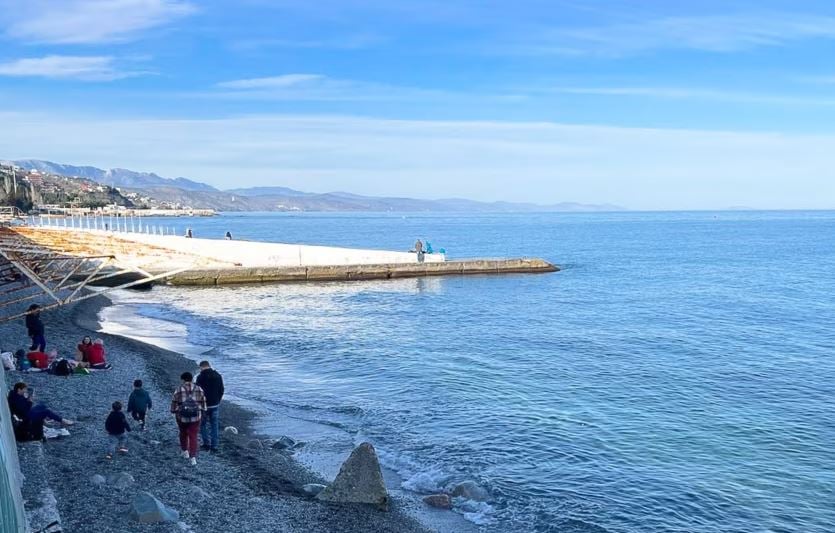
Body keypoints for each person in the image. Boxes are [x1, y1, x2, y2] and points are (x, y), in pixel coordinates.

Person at [7, 382, 73, 441]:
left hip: (27, 412)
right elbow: (25, 409)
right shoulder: (17, 399)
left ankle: (44, 421)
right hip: (27, 416)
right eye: (24, 389)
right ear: (19, 389)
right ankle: (62, 420)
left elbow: (23, 405)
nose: (25, 391)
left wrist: (27, 398)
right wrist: (30, 401)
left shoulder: (16, 395)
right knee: (46, 411)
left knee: (42, 406)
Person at [170, 372, 206, 466]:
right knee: (193, 436)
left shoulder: (179, 389)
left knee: (183, 433)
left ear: (183, 380)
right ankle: (193, 457)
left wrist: (173, 411)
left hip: (182, 416)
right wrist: (202, 411)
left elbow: (174, 403)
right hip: (195, 417)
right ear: (192, 379)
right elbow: (203, 404)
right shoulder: (199, 389)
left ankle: (185, 451)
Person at [196, 361, 224, 452]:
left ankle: (206, 443)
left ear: (201, 367)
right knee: (214, 425)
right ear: (209, 366)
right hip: (215, 404)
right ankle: (214, 445)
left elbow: (197, 392)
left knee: (202, 424)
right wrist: (218, 400)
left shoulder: (200, 377)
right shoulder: (218, 376)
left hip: (204, 405)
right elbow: (221, 390)